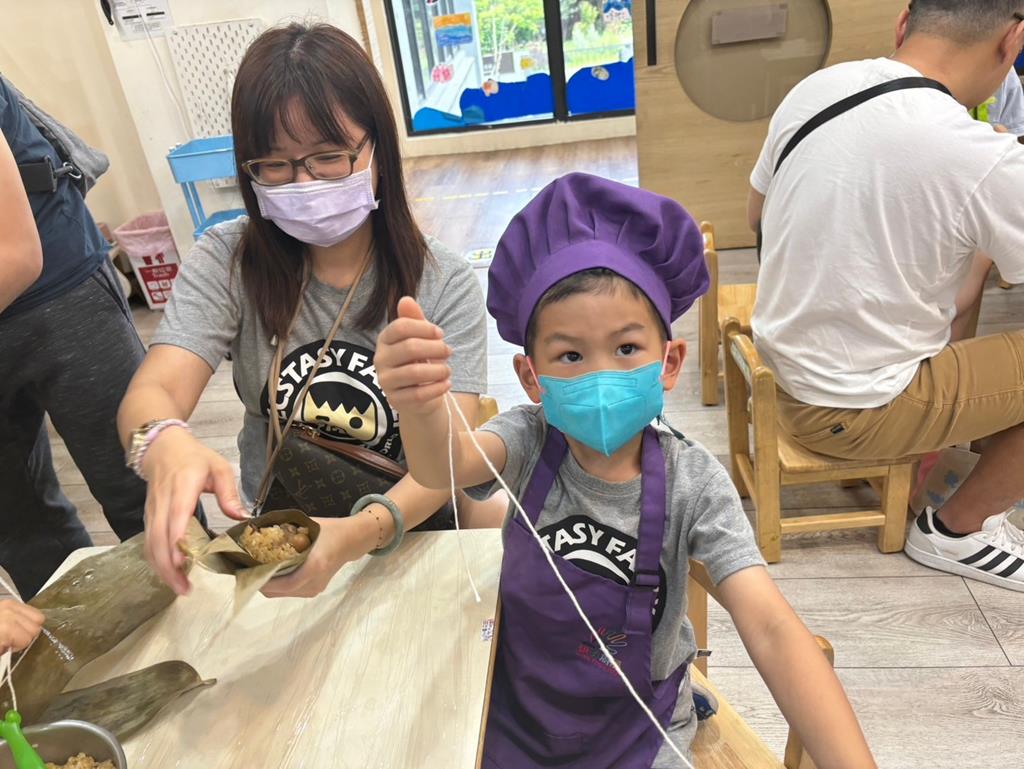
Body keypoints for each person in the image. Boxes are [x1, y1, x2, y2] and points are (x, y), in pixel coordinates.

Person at [376, 173, 876, 768]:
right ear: (531, 377)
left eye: (626, 349)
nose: (600, 374)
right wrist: (419, 404)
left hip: (643, 726)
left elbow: (769, 626)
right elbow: (442, 468)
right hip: (521, 710)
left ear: (670, 361)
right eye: (569, 355)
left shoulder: (694, 485)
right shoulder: (527, 440)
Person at [118, 23, 497, 597]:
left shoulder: (441, 282)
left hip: (408, 533)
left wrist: (355, 535)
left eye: (328, 157)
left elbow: (448, 462)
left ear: (377, 150)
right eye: (274, 165)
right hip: (281, 535)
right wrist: (164, 442)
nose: (303, 182)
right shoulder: (228, 260)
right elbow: (155, 389)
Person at [747, 0, 1024, 592]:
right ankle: (955, 531)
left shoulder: (817, 88)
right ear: (1013, 42)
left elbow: (758, 219)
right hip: (855, 408)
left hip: (780, 373)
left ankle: (965, 460)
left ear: (904, 23)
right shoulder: (980, 154)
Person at [0, 75, 150, 600]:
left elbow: (18, 255)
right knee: (20, 524)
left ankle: (202, 626)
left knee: (140, 489)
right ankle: (76, 636)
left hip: (57, 286)